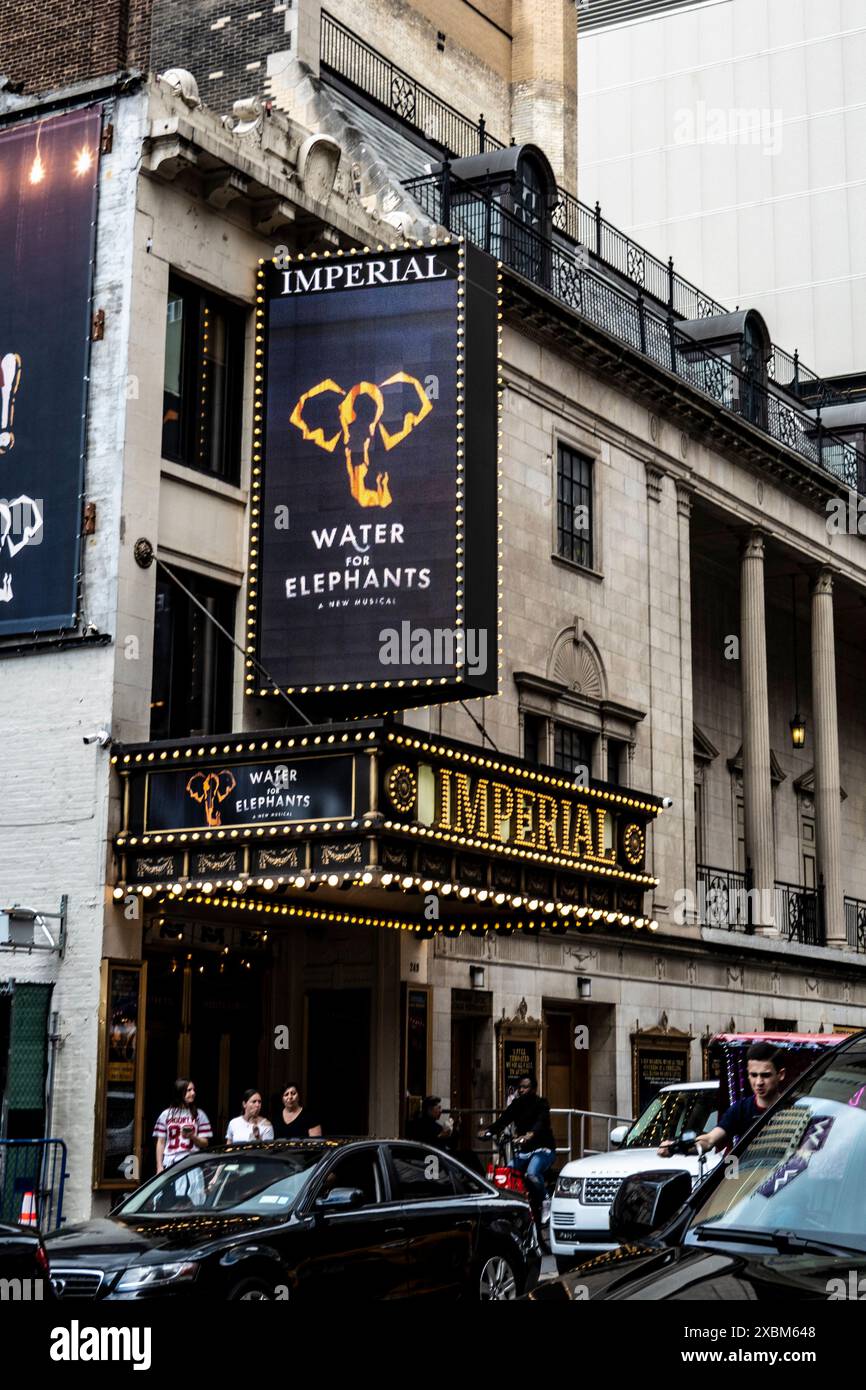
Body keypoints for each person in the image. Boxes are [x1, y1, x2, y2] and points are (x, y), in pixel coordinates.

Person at [657, 1042, 787, 1158]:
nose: (759, 1082)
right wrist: (676, 1147)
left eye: (765, 1075)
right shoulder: (739, 1110)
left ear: (780, 1075)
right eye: (754, 1075)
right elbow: (709, 1140)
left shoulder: (795, 1107)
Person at [479, 1073, 556, 1235]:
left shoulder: (541, 1103)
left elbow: (541, 1122)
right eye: (520, 1087)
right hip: (524, 1152)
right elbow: (503, 1120)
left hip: (543, 1149)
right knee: (508, 1171)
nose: (521, 1090)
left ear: (533, 1089)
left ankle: (546, 1200)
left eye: (525, 1087)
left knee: (532, 1173)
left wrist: (530, 1134)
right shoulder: (516, 1104)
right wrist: (488, 1131)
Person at [153, 1078, 212, 1173]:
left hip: (191, 1162)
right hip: (171, 1162)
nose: (193, 1093)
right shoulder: (166, 1114)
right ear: (180, 1092)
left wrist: (192, 1136)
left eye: (193, 1090)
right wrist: (159, 1166)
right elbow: (160, 1142)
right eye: (189, 1090)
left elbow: (205, 1143)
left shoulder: (199, 1114)